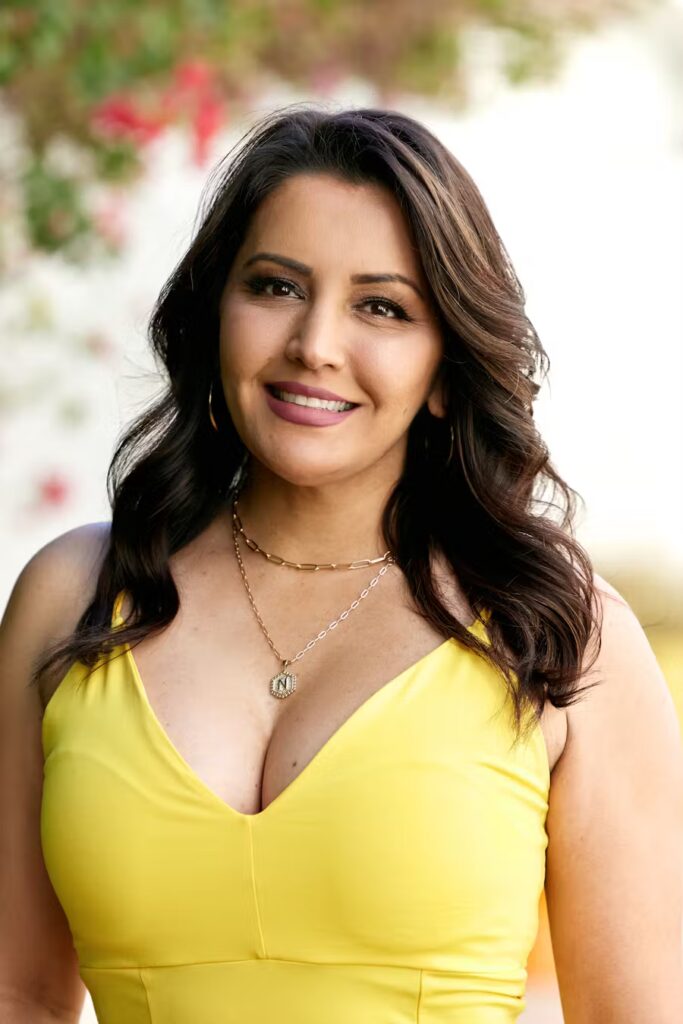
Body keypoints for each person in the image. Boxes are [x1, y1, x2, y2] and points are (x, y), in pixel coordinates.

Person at [1, 104, 682, 1024]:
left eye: (381, 306)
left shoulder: (563, 635)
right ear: (215, 316)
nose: (314, 345)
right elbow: (17, 993)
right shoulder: (71, 600)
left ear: (446, 364)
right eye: (276, 287)